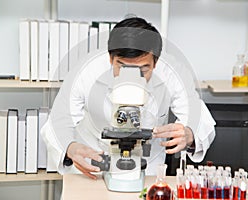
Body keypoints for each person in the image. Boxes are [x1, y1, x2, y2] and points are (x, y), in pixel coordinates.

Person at [41, 17, 216, 179]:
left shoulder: (172, 73)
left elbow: (197, 115)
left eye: (143, 69)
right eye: (123, 67)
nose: (132, 76)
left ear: (156, 62)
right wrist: (71, 148)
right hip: (94, 166)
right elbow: (58, 120)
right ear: (111, 58)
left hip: (148, 169)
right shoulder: (87, 71)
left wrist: (189, 133)